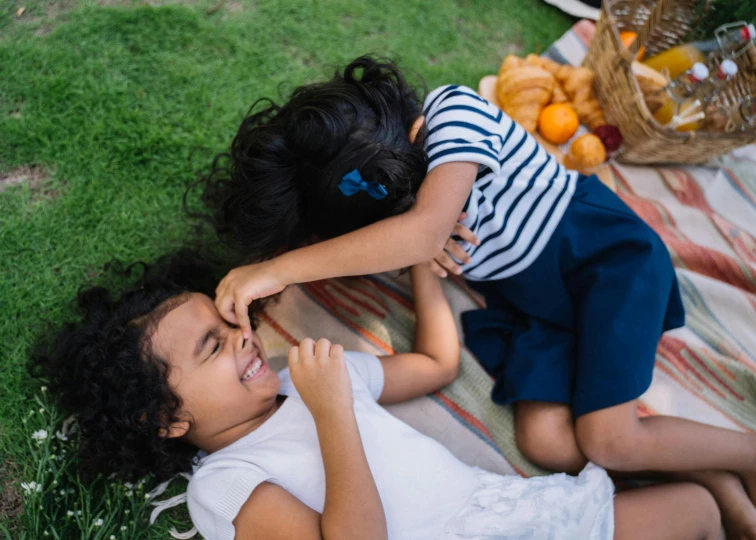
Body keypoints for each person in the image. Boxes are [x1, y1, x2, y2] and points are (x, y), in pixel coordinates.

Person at [200, 55, 756, 536]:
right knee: (547, 442)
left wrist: (279, 269)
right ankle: (711, 473)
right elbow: (419, 239)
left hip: (605, 266)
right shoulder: (412, 212)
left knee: (609, 441)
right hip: (540, 307)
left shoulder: (454, 112)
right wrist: (419, 249)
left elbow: (422, 231)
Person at [35, 251, 720, 540]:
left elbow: (433, 364)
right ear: (168, 417)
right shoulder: (226, 484)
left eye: (227, 324)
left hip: (505, 520)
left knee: (698, 506)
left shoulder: (310, 374)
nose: (244, 337)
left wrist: (425, 269)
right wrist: (331, 410)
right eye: (213, 347)